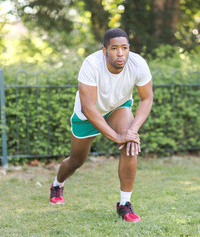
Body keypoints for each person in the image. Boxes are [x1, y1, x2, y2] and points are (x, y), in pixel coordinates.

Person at [49, 28, 153, 223]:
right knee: (76, 161)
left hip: (118, 107)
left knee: (131, 146)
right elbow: (88, 107)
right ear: (104, 50)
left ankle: (124, 204)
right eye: (114, 48)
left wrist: (132, 132)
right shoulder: (91, 64)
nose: (120, 53)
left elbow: (147, 99)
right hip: (88, 115)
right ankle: (57, 184)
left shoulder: (138, 63)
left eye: (124, 48)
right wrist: (117, 137)